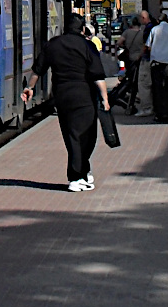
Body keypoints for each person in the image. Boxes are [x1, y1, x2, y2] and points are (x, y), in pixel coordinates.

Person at [22, 13, 110, 192]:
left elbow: (38, 70)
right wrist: (105, 99)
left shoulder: (53, 44)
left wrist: (30, 88)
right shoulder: (88, 45)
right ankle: (76, 176)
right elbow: (98, 76)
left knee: (72, 135)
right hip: (84, 96)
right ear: (83, 28)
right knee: (87, 135)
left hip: (62, 96)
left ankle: (83, 172)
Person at [115, 13, 146, 115]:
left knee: (130, 79)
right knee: (137, 81)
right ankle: (132, 100)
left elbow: (118, 43)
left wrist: (125, 47)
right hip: (140, 60)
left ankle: (127, 98)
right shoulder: (142, 33)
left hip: (130, 59)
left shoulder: (127, 32)